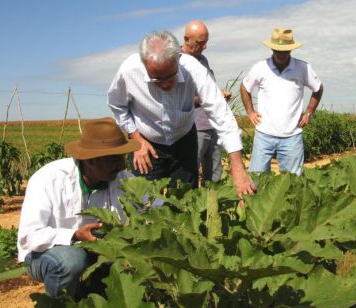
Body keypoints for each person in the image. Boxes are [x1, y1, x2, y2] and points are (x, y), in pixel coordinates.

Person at [108, 30, 255, 197]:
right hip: (146, 144)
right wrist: (136, 139)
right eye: (156, 79)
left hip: (184, 141)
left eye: (170, 77)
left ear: (178, 59)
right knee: (143, 203)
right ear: (144, 65)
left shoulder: (193, 68)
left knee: (186, 201)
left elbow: (221, 113)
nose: (164, 85)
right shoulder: (128, 71)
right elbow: (117, 106)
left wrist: (237, 167)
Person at [17, 117, 140, 298]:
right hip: (43, 254)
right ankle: (60, 303)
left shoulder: (123, 179)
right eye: (113, 159)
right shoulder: (49, 178)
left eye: (122, 157)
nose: (121, 165)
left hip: (98, 252)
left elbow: (155, 208)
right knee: (71, 262)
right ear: (90, 160)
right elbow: (29, 237)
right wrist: (74, 235)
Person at [240, 28, 324, 175]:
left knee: (293, 183)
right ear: (272, 48)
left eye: (285, 51)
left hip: (292, 136)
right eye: (278, 50)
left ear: (291, 50)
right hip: (264, 134)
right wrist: (250, 112)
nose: (281, 54)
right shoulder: (260, 67)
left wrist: (309, 112)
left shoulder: (303, 67)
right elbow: (244, 87)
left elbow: (318, 88)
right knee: (257, 179)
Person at [181, 20, 231, 186]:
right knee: (190, 173)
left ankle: (214, 209)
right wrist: (207, 99)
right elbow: (180, 99)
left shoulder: (203, 60)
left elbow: (207, 89)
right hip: (194, 128)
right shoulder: (177, 62)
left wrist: (218, 95)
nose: (204, 46)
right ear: (186, 39)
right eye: (200, 42)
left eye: (205, 42)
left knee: (215, 174)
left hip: (212, 125)